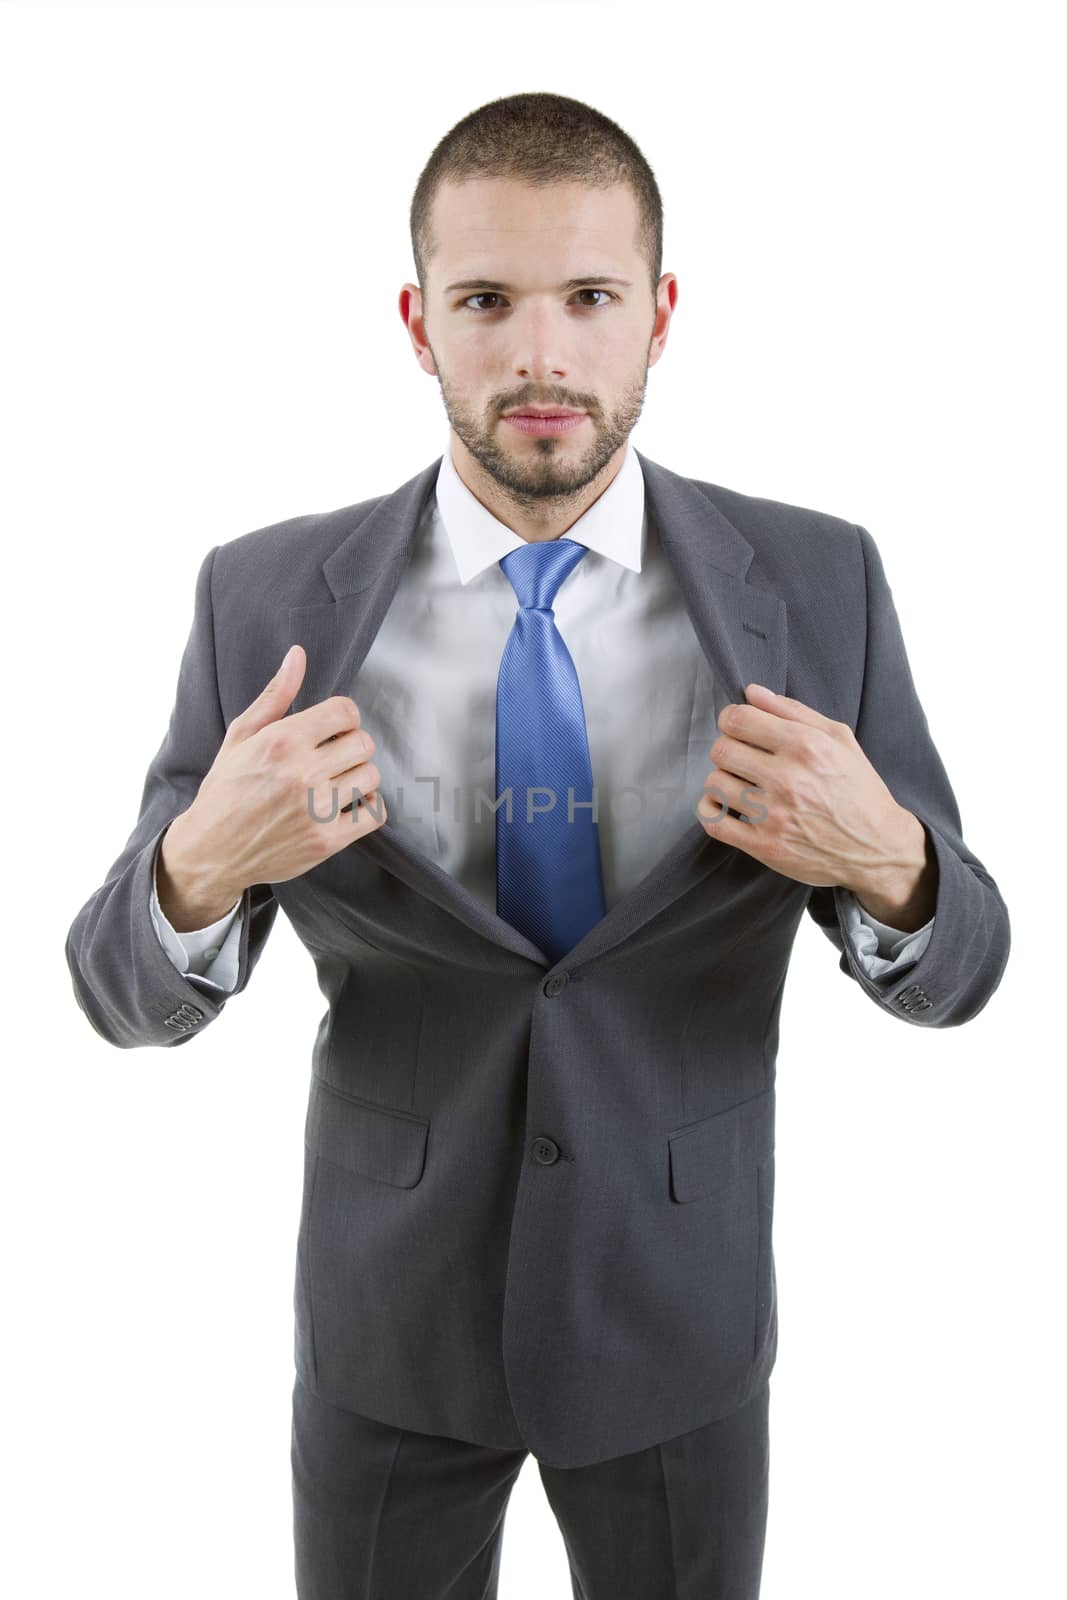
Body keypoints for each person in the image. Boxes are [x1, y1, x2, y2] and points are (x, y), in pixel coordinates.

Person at [65, 91, 1010, 1600]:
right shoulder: (266, 600)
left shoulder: (820, 581)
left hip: (679, 1318)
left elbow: (962, 971)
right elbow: (117, 987)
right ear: (418, 321)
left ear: (660, 316)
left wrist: (886, 853)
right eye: (487, 301)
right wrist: (201, 864)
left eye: (590, 299)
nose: (541, 356)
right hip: (388, 1322)